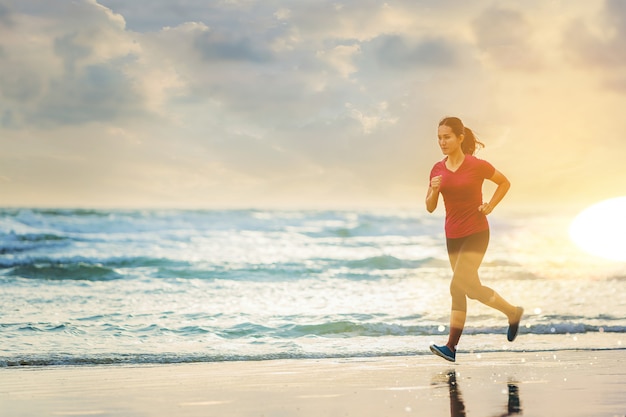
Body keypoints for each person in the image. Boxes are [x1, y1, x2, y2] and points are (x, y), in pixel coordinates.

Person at [426, 116, 523, 362]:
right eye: (439, 137)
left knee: (456, 286)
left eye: (447, 137)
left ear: (460, 138)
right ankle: (512, 312)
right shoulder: (437, 169)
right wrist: (434, 189)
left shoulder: (476, 165)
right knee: (471, 289)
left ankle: (450, 347)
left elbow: (504, 182)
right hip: (453, 236)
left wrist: (490, 205)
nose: (442, 142)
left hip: (477, 233)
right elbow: (429, 206)